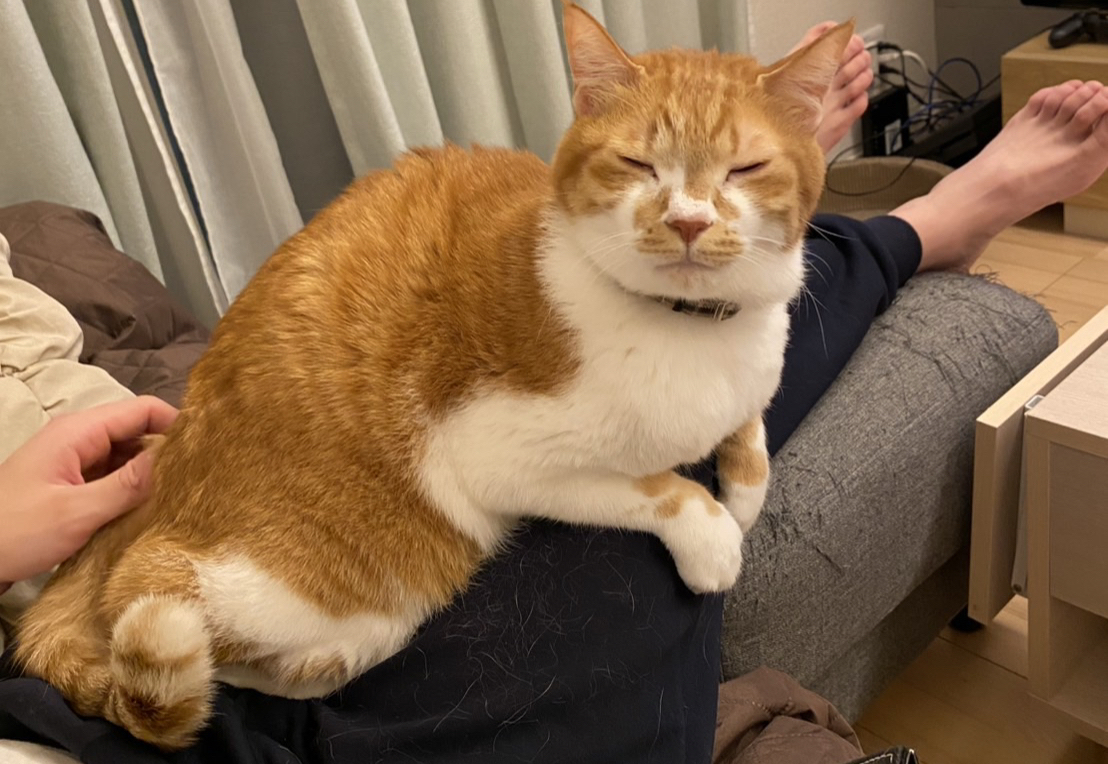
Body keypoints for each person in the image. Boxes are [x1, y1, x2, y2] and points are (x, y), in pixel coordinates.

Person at [2, 25, 1107, 763]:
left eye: (734, 169)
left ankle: (804, 182)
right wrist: (673, 503)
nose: (687, 211)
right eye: (646, 167)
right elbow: (499, 453)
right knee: (662, 401)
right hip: (371, 489)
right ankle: (855, 205)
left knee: (709, 306)